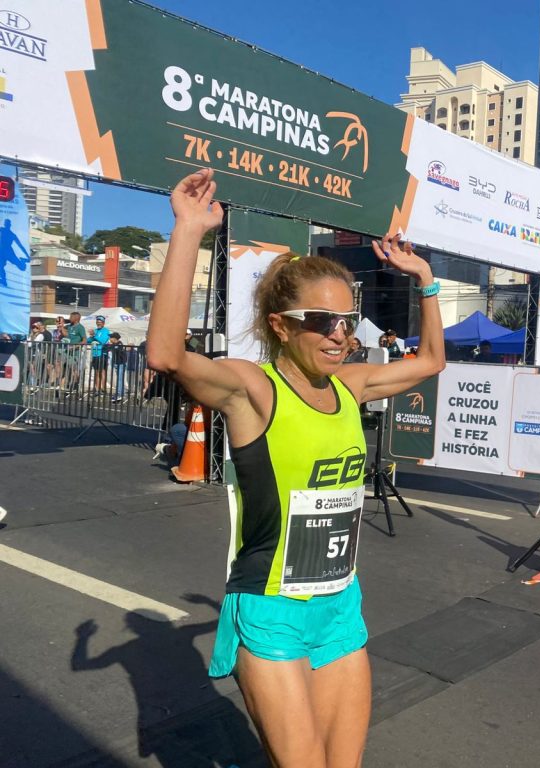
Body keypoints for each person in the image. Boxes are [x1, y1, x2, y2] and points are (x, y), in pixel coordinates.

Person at [146, 169, 444, 767]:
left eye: (347, 322)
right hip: (272, 607)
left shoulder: (351, 386)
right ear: (281, 326)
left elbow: (432, 361)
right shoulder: (254, 391)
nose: (340, 336)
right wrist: (188, 232)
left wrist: (426, 283)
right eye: (322, 322)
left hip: (339, 605)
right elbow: (166, 355)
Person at [87, 315, 111, 394]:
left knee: (102, 371)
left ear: (103, 323)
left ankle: (102, 389)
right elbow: (89, 340)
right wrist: (89, 337)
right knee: (97, 371)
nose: (98, 324)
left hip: (102, 353)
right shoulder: (95, 330)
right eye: (97, 322)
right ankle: (97, 388)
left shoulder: (106, 331)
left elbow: (103, 341)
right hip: (95, 354)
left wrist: (94, 336)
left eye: (100, 322)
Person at [107, 332, 128, 403]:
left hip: (121, 364)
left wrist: (114, 347)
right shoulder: (114, 345)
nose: (109, 339)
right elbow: (107, 348)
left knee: (120, 379)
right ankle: (121, 393)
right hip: (117, 364)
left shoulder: (119, 344)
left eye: (111, 337)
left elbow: (121, 352)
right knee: (119, 379)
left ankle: (119, 394)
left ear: (114, 338)